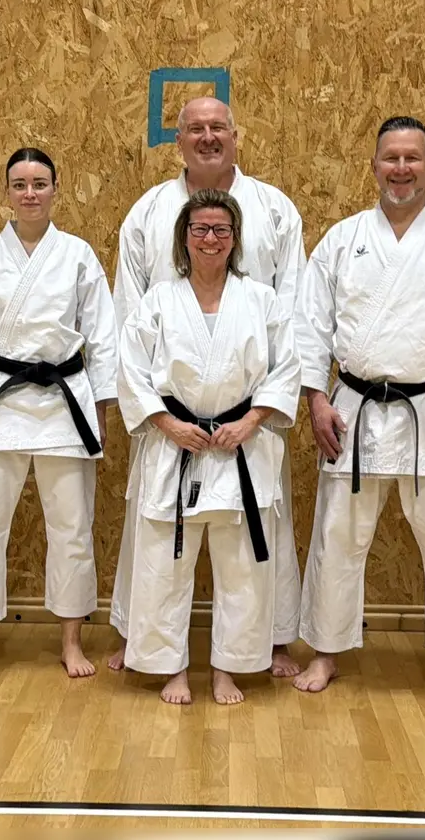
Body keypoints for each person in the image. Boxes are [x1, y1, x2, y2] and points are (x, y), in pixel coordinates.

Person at [294, 116, 425, 710]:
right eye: (391, 158)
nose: (401, 168)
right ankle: (327, 651)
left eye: (413, 158)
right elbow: (313, 324)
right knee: (339, 536)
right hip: (355, 407)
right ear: (375, 164)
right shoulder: (342, 239)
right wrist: (315, 397)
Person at [109, 97, 306, 678]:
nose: (208, 136)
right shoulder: (148, 212)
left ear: (236, 135)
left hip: (251, 409)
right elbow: (129, 316)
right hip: (171, 409)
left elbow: (290, 313)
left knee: (258, 534)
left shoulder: (272, 208)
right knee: (153, 536)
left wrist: (261, 412)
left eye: (218, 126)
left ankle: (267, 641)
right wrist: (156, 414)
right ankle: (136, 634)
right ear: (179, 140)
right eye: (196, 128)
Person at [0, 147, 116, 683]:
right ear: (6, 193)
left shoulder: (78, 255)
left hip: (65, 401)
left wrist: (103, 409)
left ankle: (70, 639)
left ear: (55, 190)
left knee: (71, 528)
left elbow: (103, 337)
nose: (29, 193)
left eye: (39, 183)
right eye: (19, 184)